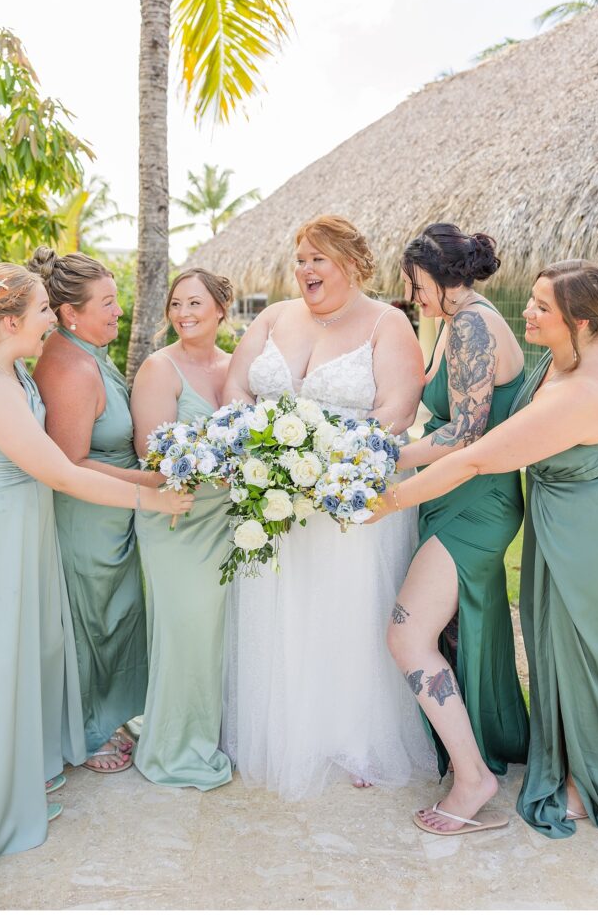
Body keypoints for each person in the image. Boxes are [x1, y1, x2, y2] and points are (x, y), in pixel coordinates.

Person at [371, 259, 598, 838]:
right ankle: (574, 770)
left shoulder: (584, 390)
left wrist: (382, 501)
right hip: (562, 522)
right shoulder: (573, 354)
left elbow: (475, 455)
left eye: (543, 307)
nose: (527, 311)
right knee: (562, 656)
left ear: (585, 321)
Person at [0, 264, 191, 888]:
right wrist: (153, 497)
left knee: (31, 653)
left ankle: (24, 781)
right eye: (44, 310)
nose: (50, 320)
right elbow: (61, 471)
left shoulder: (8, 366)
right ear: (12, 321)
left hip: (26, 527)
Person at [221, 214, 434, 799]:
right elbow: (236, 388)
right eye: (300, 259)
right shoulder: (272, 317)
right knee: (279, 608)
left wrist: (329, 456)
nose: (305, 269)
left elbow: (396, 409)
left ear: (351, 264)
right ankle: (281, 728)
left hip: (348, 503)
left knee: (345, 610)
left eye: (317, 258)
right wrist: (259, 439)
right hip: (275, 497)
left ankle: (353, 735)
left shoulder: (388, 324)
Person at [383, 223, 529, 835]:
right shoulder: (453, 321)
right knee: (438, 637)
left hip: (476, 502)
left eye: (415, 283)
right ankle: (468, 759)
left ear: (437, 274)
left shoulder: (471, 324)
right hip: (452, 493)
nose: (413, 294)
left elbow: (467, 431)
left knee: (407, 637)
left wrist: (380, 457)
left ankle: (474, 780)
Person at [30, 248, 153, 772]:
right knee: (89, 621)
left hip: (112, 514)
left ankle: (108, 713)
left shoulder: (87, 351)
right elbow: (71, 461)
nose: (118, 312)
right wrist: (151, 484)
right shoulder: (70, 368)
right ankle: (86, 728)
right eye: (107, 303)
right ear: (69, 313)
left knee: (115, 616)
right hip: (86, 518)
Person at [130, 269, 234, 789]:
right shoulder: (159, 367)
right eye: (176, 304)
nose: (183, 312)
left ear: (221, 309)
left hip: (229, 520)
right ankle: (174, 747)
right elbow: (153, 458)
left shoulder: (237, 367)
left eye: (195, 302)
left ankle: (209, 727)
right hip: (176, 519)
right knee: (186, 630)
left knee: (217, 634)